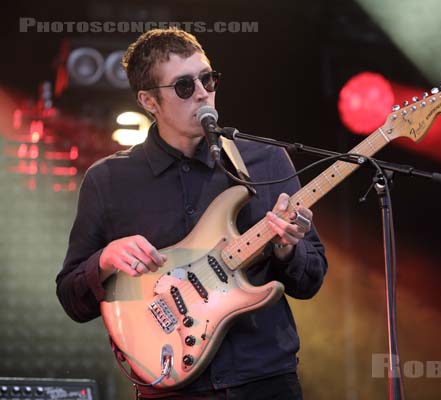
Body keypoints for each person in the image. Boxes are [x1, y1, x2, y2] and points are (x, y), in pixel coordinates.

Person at [56, 28, 328, 399]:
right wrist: (104, 260)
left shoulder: (265, 161)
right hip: (172, 388)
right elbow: (72, 299)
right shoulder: (109, 180)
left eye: (208, 79)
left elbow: (310, 281)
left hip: (264, 380)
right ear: (149, 101)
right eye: (184, 86)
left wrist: (286, 250)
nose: (202, 92)